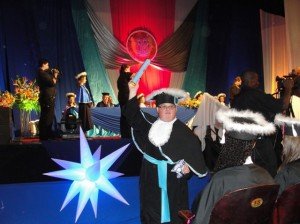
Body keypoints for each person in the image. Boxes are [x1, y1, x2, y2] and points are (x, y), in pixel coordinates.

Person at [123, 82, 207, 224]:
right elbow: (132, 115)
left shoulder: (186, 134)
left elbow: (193, 160)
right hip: (149, 177)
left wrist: (188, 171)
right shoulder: (149, 125)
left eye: (171, 107)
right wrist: (132, 92)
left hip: (173, 180)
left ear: (176, 109)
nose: (167, 110)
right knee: (150, 210)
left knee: (175, 212)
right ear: (157, 110)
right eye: (163, 107)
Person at [192, 108, 277, 224]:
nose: (221, 142)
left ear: (229, 143)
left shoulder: (221, 180)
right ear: (253, 144)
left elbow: (202, 220)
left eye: (225, 138)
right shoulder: (267, 177)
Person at [232, 70, 294, 176]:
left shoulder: (237, 98)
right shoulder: (255, 95)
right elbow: (283, 105)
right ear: (250, 80)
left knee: (253, 175)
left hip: (243, 143)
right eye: (256, 80)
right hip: (259, 143)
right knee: (269, 172)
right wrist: (288, 88)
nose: (258, 83)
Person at [274, 114, 300, 195]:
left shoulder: (286, 172)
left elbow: (274, 200)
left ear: (291, 144)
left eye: (283, 140)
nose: (281, 142)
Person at [36, 58, 59, 140]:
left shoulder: (44, 73)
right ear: (43, 64)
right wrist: (55, 75)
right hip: (47, 98)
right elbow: (52, 82)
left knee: (49, 116)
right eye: (47, 65)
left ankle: (47, 134)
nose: (48, 67)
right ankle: (44, 135)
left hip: (49, 98)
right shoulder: (41, 73)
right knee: (46, 116)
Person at [117, 64, 133, 138]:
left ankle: (124, 134)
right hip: (125, 98)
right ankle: (127, 134)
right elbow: (134, 75)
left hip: (121, 97)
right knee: (126, 116)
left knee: (123, 116)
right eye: (129, 69)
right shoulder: (124, 74)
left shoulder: (120, 77)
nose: (129, 70)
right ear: (126, 69)